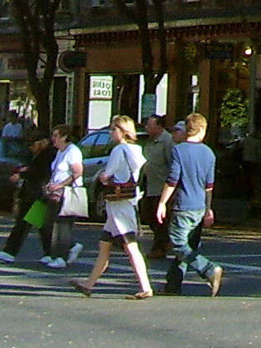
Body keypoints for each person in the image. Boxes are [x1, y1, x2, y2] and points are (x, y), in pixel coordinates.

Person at [72, 115, 156, 299]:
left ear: (123, 131)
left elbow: (107, 174)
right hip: (125, 203)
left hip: (119, 205)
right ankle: (89, 284)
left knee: (131, 245)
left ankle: (146, 286)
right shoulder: (137, 150)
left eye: (114, 129)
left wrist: (103, 176)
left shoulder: (119, 150)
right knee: (104, 245)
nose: (111, 133)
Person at [156, 112, 224, 296]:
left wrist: (162, 202)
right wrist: (209, 209)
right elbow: (209, 186)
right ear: (202, 130)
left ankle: (209, 269)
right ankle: (173, 284)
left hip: (184, 205)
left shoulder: (179, 150)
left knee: (179, 244)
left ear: (188, 130)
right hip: (200, 206)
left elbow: (172, 180)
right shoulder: (209, 153)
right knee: (188, 248)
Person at [0, 135, 54, 263]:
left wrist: (22, 174)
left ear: (40, 143)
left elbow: (40, 173)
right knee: (41, 226)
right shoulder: (40, 155)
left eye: (32, 145)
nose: (30, 148)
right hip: (35, 193)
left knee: (23, 223)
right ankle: (52, 251)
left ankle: (10, 251)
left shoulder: (47, 155)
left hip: (37, 193)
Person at [43, 124, 86, 268]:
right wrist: (51, 184)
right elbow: (57, 171)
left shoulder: (72, 151)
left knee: (63, 225)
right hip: (56, 193)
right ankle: (70, 247)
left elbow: (77, 172)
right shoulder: (60, 152)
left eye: (56, 136)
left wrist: (61, 185)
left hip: (68, 193)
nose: (53, 139)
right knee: (49, 223)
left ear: (64, 137)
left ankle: (62, 257)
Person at [141, 113, 175, 258]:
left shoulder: (167, 141)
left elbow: (172, 163)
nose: (147, 128)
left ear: (159, 126)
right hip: (149, 184)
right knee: (147, 215)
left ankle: (161, 246)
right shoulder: (150, 141)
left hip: (161, 185)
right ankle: (162, 243)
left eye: (150, 125)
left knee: (159, 219)